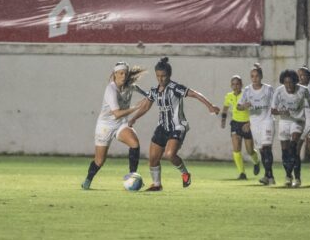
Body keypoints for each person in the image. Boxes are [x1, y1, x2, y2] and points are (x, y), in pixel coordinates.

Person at [128, 57, 220, 191]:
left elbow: (194, 94)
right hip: (162, 127)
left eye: (163, 76)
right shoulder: (154, 91)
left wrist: (210, 106)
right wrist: (134, 118)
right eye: (158, 76)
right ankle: (157, 185)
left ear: (169, 75)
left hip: (177, 127)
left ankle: (185, 173)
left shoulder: (175, 88)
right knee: (153, 159)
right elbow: (145, 107)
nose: (161, 79)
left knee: (170, 154)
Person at [81, 62, 147, 190]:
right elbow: (116, 114)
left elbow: (148, 95)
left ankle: (132, 176)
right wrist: (136, 107)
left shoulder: (131, 86)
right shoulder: (110, 89)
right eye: (120, 73)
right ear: (115, 74)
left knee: (134, 143)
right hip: (105, 126)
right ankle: (88, 180)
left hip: (120, 124)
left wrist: (156, 95)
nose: (123, 76)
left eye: (125, 73)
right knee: (99, 161)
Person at [271, 69, 310, 187]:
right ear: (283, 83)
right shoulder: (279, 91)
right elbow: (272, 110)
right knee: (285, 152)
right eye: (286, 83)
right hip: (284, 122)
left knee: (293, 147)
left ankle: (297, 178)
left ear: (295, 82)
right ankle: (289, 176)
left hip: (298, 121)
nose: (288, 85)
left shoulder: (303, 90)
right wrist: (281, 111)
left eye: (291, 82)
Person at [237, 63, 276, 185]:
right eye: (252, 76)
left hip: (267, 121)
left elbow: (277, 102)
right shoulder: (248, 90)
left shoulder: (268, 89)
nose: (255, 78)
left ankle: (270, 177)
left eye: (257, 76)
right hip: (255, 123)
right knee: (262, 151)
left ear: (261, 76)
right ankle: (268, 175)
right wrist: (244, 106)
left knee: (266, 147)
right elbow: (238, 106)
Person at [221, 75, 260, 180]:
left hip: (247, 124)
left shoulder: (246, 94)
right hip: (235, 124)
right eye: (233, 84)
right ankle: (242, 173)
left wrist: (251, 122)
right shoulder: (229, 96)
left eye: (237, 84)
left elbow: (254, 109)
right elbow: (225, 108)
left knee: (249, 150)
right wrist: (223, 120)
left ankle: (256, 162)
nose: (235, 86)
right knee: (236, 148)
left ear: (241, 85)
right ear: (231, 85)